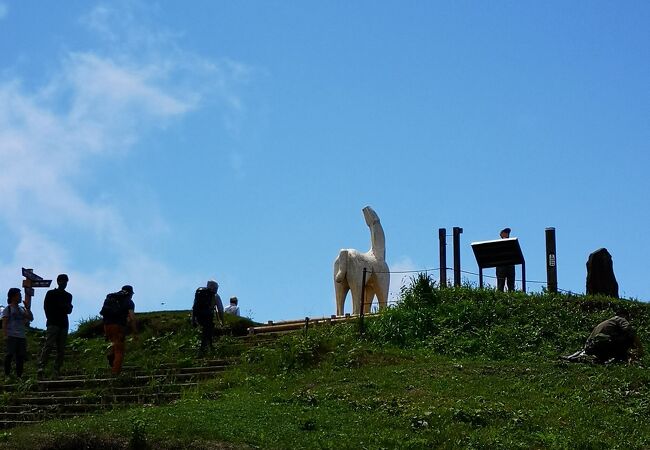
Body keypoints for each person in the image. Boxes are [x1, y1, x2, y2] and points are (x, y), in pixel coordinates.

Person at [562, 312, 644, 363]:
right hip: (602, 345)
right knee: (628, 337)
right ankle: (624, 358)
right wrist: (640, 348)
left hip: (590, 347)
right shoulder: (619, 319)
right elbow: (630, 331)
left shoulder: (605, 323)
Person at [38, 274, 73, 379]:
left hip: (63, 323)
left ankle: (56, 370)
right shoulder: (51, 293)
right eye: (62, 281)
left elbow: (69, 310)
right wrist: (51, 317)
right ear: (58, 282)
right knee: (48, 345)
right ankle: (41, 367)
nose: (64, 283)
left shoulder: (68, 296)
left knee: (61, 349)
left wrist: (64, 308)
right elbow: (46, 307)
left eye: (66, 281)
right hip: (53, 323)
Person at [100, 285, 137, 375]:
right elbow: (132, 317)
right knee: (119, 351)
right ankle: (115, 373)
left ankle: (111, 354)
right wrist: (135, 332)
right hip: (118, 326)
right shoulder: (129, 301)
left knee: (115, 343)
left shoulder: (112, 297)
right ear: (130, 293)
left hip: (107, 325)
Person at [3, 288, 34, 379]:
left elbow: (30, 318)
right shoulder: (7, 309)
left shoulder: (21, 309)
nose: (20, 297)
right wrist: (5, 335)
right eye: (18, 295)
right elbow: (4, 323)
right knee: (9, 354)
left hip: (21, 336)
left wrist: (27, 308)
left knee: (20, 357)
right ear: (13, 297)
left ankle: (19, 375)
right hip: (11, 335)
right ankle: (7, 374)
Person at [192, 280, 224, 357]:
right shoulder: (215, 296)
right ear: (214, 287)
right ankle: (202, 351)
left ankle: (209, 348)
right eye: (216, 287)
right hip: (208, 317)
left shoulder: (199, 293)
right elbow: (220, 310)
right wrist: (222, 321)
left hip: (199, 317)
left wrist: (193, 319)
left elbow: (194, 307)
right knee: (207, 332)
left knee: (206, 332)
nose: (217, 289)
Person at [496, 227, 515, 292]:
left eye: (507, 233)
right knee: (500, 285)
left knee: (511, 286)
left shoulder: (512, 243)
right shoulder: (498, 244)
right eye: (505, 233)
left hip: (509, 265)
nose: (507, 234)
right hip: (501, 266)